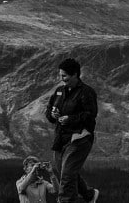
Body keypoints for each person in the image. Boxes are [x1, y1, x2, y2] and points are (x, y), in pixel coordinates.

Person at [46, 58, 99, 203]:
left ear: (75, 74)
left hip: (79, 138)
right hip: (60, 139)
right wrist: (52, 114)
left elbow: (91, 115)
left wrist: (70, 119)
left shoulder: (86, 92)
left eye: (64, 76)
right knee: (64, 172)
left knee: (67, 175)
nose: (62, 79)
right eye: (60, 76)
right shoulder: (59, 91)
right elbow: (49, 111)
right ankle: (89, 195)